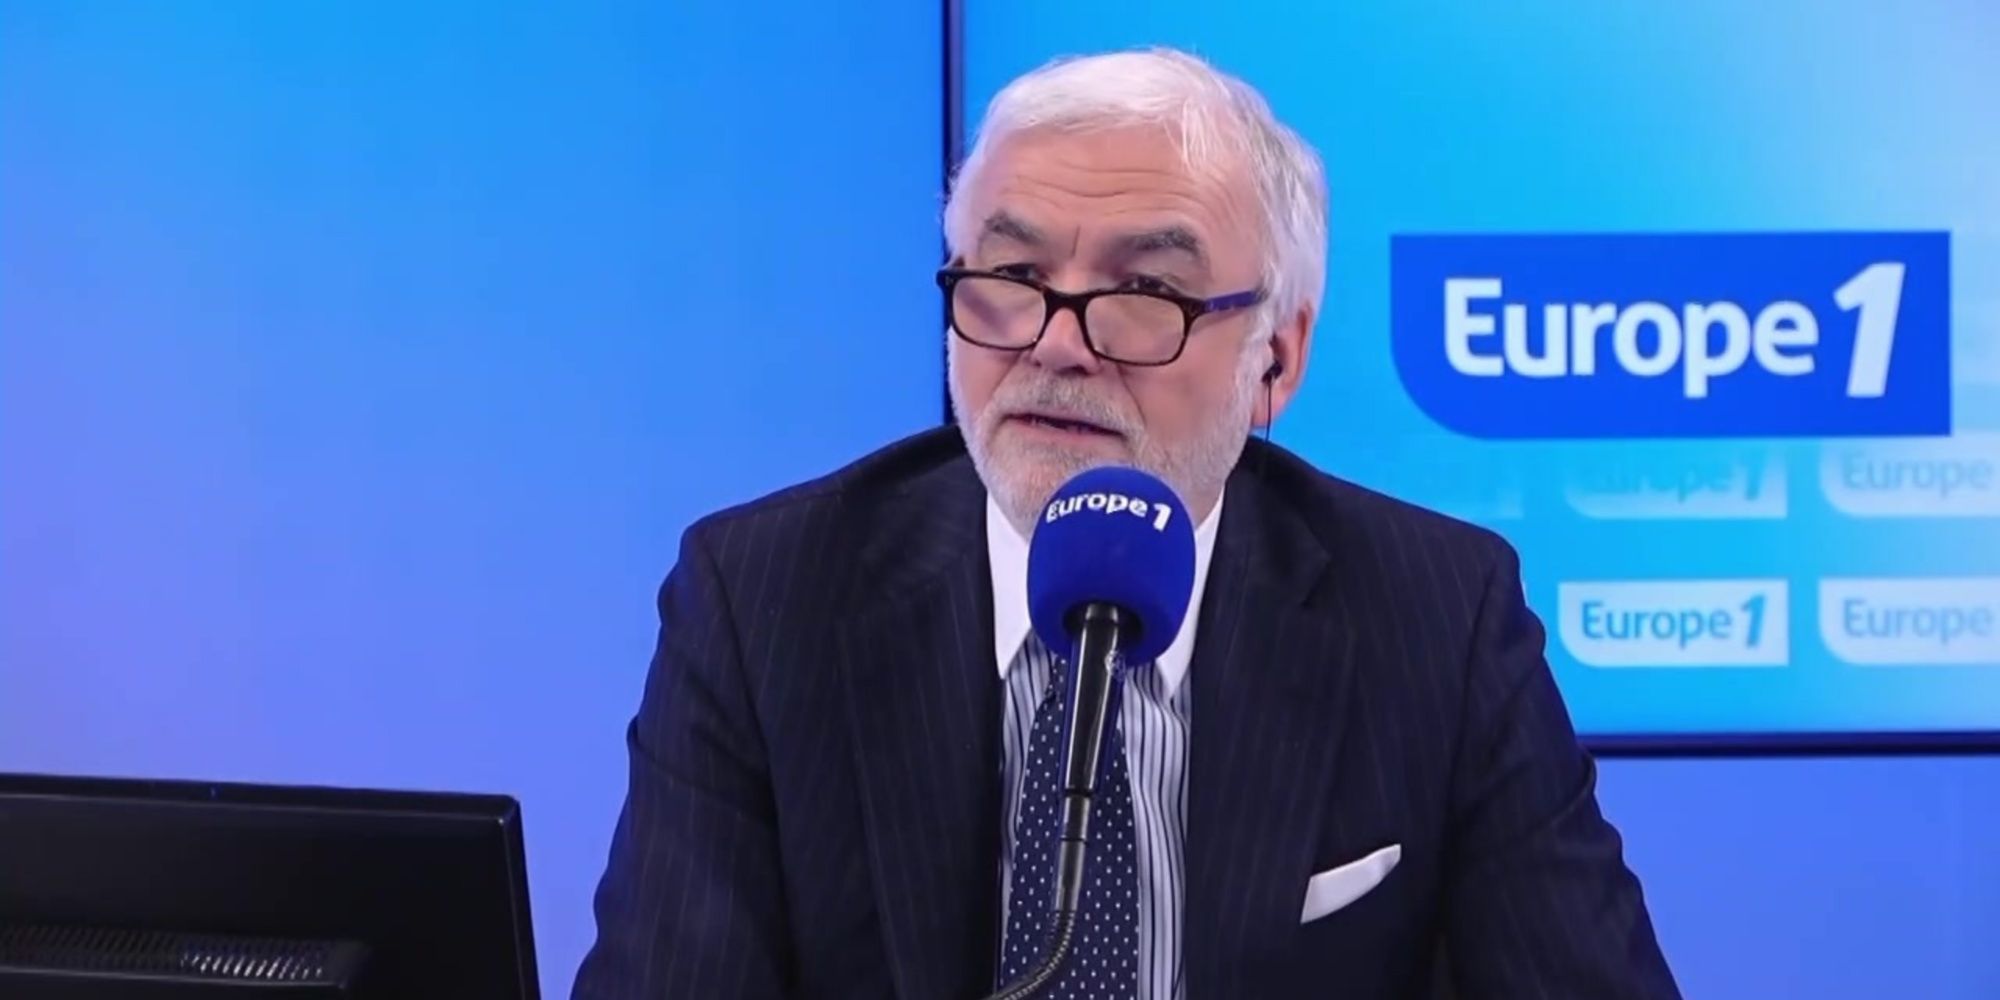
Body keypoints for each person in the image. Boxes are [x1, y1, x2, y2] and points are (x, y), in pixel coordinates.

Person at [571, 47, 1680, 1000]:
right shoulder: (768, 597)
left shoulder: (1435, 615)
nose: (1055, 342)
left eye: (1145, 292)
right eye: (1011, 274)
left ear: (1276, 357)